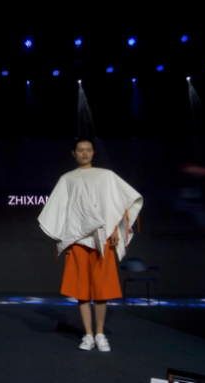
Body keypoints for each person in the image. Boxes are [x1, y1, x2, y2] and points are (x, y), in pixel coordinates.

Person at [38, 138, 142, 352]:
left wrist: (115, 228)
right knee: (82, 290)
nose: (84, 153)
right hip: (78, 240)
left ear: (93, 152)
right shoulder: (67, 179)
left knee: (101, 290)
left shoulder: (105, 176)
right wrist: (64, 236)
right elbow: (60, 210)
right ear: (73, 153)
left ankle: (100, 334)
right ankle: (88, 335)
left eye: (88, 150)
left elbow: (117, 203)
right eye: (80, 150)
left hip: (102, 238)